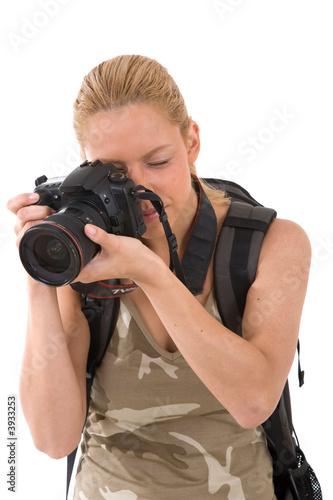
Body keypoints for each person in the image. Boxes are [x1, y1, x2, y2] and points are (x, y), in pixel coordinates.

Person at [7, 54, 311, 499]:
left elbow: (253, 402)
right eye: (113, 172)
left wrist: (151, 272)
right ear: (85, 164)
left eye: (157, 161)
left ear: (191, 142)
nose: (138, 189)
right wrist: (41, 275)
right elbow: (53, 440)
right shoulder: (82, 252)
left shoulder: (270, 243)